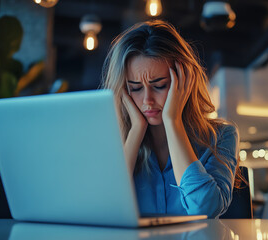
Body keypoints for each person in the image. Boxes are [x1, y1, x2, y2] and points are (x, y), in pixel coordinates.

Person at [101, 20, 240, 218]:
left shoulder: (222, 136)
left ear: (185, 81)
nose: (147, 100)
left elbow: (205, 209)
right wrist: (135, 132)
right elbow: (104, 212)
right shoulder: (113, 142)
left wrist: (172, 121)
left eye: (159, 86)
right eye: (136, 88)